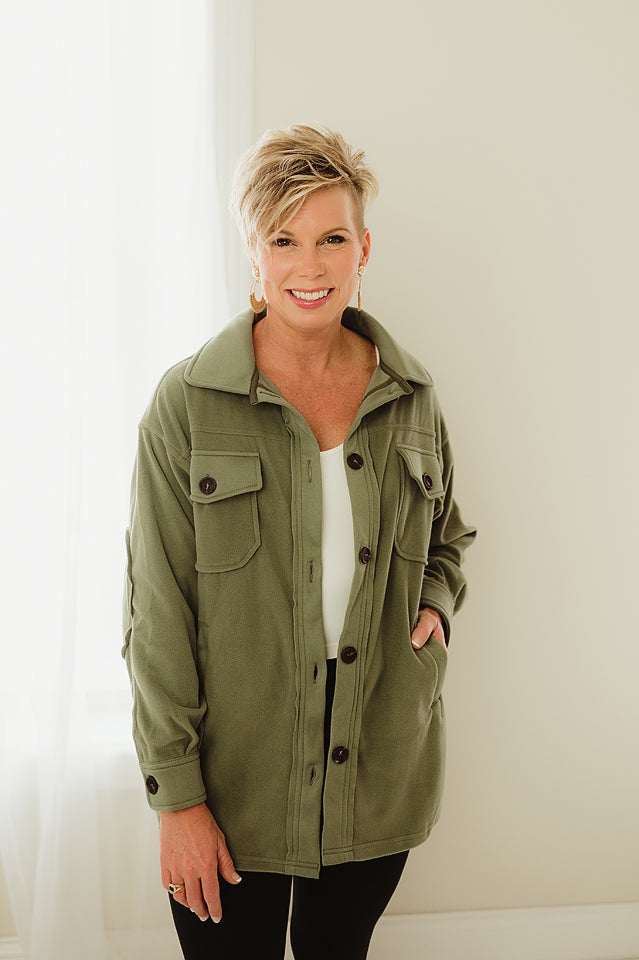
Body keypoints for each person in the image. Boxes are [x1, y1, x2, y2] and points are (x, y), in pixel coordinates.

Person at [122, 124, 476, 959]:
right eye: (283, 240)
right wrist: (178, 801)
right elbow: (155, 612)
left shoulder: (410, 396)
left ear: (363, 249)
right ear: (253, 255)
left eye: (331, 239)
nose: (309, 266)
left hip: (377, 769)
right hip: (230, 780)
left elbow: (447, 534)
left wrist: (433, 602)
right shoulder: (186, 404)